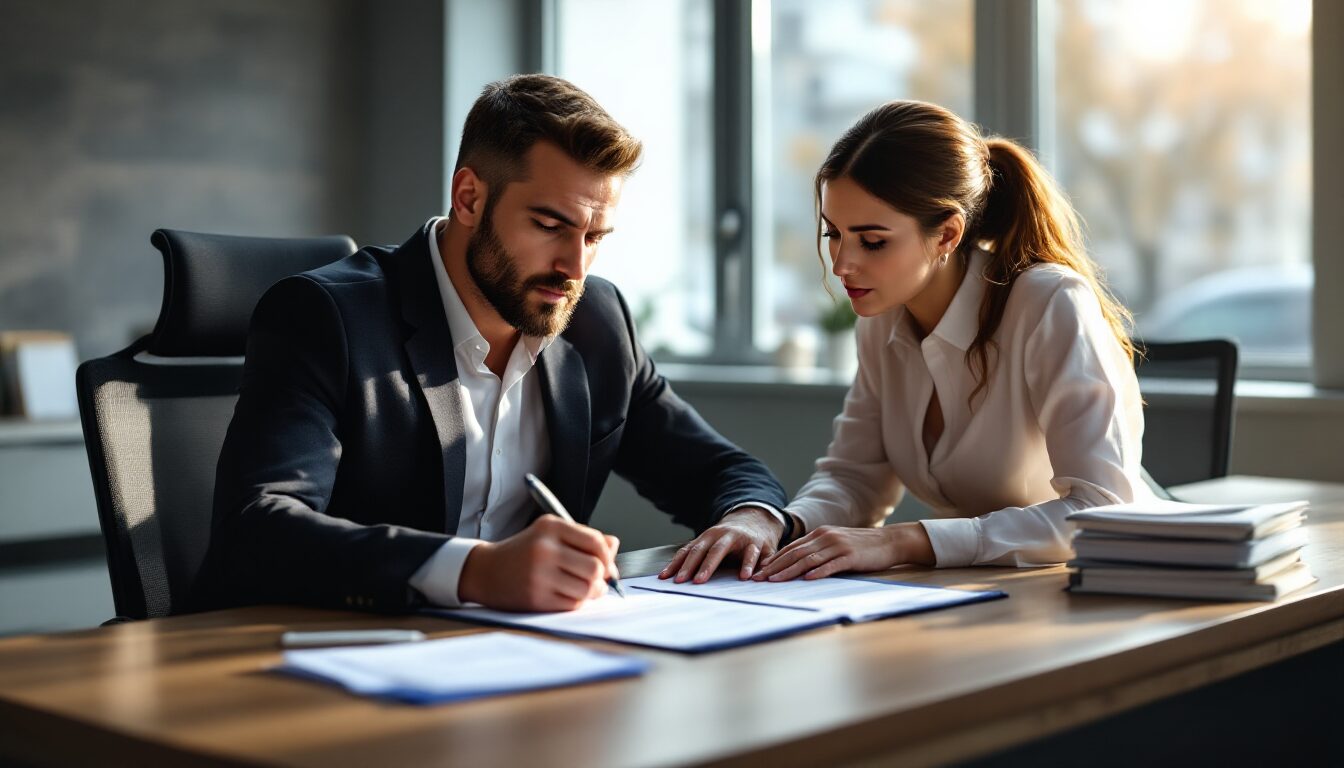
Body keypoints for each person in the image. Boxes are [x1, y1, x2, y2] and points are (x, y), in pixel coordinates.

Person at [191, 74, 788, 614]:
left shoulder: (598, 321)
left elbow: (722, 470)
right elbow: (258, 527)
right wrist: (474, 570)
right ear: (470, 198)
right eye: (549, 226)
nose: (574, 268)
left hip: (514, 653)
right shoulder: (328, 317)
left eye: (595, 237)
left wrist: (752, 520)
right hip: (307, 652)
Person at [662, 99, 1150, 584]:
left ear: (948, 234)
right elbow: (855, 477)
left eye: (872, 241)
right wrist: (776, 523)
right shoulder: (882, 320)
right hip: (981, 590)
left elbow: (1101, 511)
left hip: (1105, 589)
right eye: (834, 234)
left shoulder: (1049, 302)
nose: (842, 264)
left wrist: (903, 541)